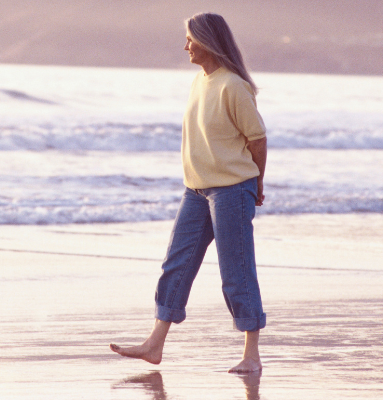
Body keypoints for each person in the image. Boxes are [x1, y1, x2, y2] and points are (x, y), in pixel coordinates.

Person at [109, 12, 267, 374]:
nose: (185, 47)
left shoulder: (233, 86)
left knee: (236, 273)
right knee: (176, 266)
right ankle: (154, 344)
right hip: (196, 191)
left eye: (190, 40)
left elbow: (257, 139)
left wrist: (256, 183)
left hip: (231, 190)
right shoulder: (201, 82)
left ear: (208, 42)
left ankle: (252, 355)